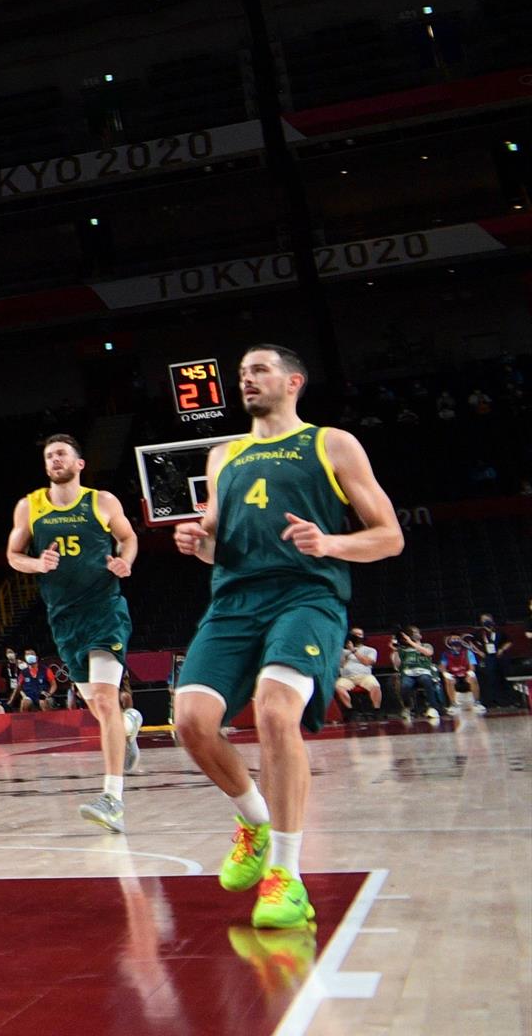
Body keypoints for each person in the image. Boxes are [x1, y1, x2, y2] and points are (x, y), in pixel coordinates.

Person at [170, 344, 401, 930]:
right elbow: (219, 538)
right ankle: (253, 819)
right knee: (191, 722)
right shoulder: (224, 454)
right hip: (234, 599)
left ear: (294, 381)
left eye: (259, 370)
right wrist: (201, 543)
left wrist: (329, 544)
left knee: (275, 713)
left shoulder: (332, 444)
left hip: (307, 595)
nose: (246, 379)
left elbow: (389, 536)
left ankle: (286, 877)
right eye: (242, 373)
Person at [6, 433, 142, 830]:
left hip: (104, 610)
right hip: (63, 619)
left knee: (103, 697)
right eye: (49, 455)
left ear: (79, 463)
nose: (54, 459)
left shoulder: (101, 501)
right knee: (103, 709)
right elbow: (14, 556)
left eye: (62, 454)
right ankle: (128, 724)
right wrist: (37, 565)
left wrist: (124, 561)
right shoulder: (29, 507)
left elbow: (128, 537)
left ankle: (112, 798)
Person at [393, 626, 446, 722]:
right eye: (414, 632)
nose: (417, 634)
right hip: (409, 673)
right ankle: (407, 708)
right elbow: (397, 665)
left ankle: (432, 708)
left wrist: (411, 643)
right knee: (405, 685)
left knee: (426, 680)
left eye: (417, 632)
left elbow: (428, 653)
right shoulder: (403, 649)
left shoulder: (426, 645)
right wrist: (396, 650)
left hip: (423, 672)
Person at [335, 631, 382, 720]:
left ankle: (376, 710)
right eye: (355, 634)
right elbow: (341, 665)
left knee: (375, 686)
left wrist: (354, 651)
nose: (357, 637)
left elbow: (367, 662)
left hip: (364, 676)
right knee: (338, 686)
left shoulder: (370, 650)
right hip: (347, 678)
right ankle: (350, 710)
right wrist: (344, 651)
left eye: (359, 634)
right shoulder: (343, 651)